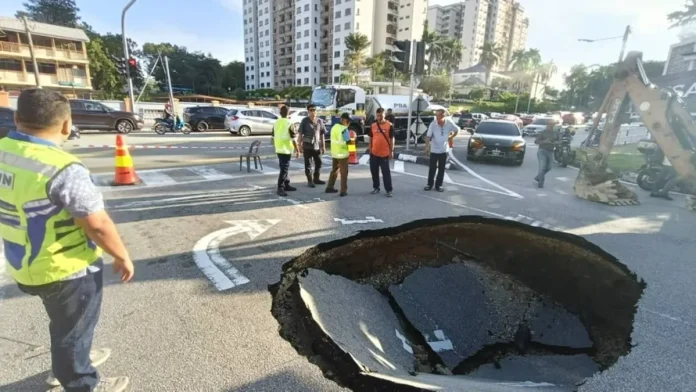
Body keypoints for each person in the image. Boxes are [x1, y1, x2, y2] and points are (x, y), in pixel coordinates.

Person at [0, 89, 133, 391]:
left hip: (23, 262)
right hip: (65, 267)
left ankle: (72, 359)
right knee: (72, 331)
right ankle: (78, 379)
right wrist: (121, 255)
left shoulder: (3, 151)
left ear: (17, 118)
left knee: (64, 324)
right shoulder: (61, 167)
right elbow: (96, 224)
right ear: (65, 125)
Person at [424, 108, 458, 192]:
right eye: (436, 115)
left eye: (438, 115)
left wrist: (451, 137)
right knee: (432, 168)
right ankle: (429, 184)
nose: (437, 117)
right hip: (434, 150)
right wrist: (426, 146)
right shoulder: (433, 124)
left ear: (443, 115)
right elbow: (428, 136)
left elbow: (457, 130)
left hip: (444, 150)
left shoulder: (449, 123)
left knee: (441, 168)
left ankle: (439, 185)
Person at [273, 105, 300, 196]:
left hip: (278, 148)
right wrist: (298, 149)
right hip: (286, 149)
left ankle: (286, 184)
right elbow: (293, 138)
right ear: (288, 113)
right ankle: (280, 187)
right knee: (284, 169)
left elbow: (273, 136)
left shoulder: (276, 122)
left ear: (280, 113)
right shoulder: (289, 123)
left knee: (283, 168)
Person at [298, 103, 327, 188]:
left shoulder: (319, 121)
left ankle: (316, 179)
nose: (313, 112)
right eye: (311, 110)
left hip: (317, 146)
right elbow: (300, 134)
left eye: (314, 110)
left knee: (319, 162)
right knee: (308, 164)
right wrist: (299, 145)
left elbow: (322, 134)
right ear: (308, 111)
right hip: (307, 146)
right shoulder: (305, 121)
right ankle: (310, 181)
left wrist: (323, 146)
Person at [369, 108, 395, 197]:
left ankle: (389, 190)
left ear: (384, 115)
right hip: (374, 153)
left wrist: (391, 151)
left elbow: (392, 139)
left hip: (384, 153)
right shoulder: (373, 125)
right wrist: (370, 149)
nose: (379, 117)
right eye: (378, 115)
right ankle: (376, 187)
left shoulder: (389, 125)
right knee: (374, 171)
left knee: (386, 173)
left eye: (381, 115)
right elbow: (371, 138)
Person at [325, 113, 352, 196]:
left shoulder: (334, 127)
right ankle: (343, 191)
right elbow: (349, 143)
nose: (349, 123)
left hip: (334, 153)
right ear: (343, 120)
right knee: (344, 173)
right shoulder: (344, 129)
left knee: (334, 170)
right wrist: (352, 152)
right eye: (348, 121)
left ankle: (329, 187)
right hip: (342, 154)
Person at [534, 118, 558, 188]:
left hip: (550, 151)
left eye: (553, 124)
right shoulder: (542, 132)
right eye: (550, 124)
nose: (551, 126)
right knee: (542, 167)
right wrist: (544, 141)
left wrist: (555, 142)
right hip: (542, 151)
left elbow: (559, 141)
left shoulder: (555, 133)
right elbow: (536, 141)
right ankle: (541, 182)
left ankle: (538, 176)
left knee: (549, 167)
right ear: (547, 124)